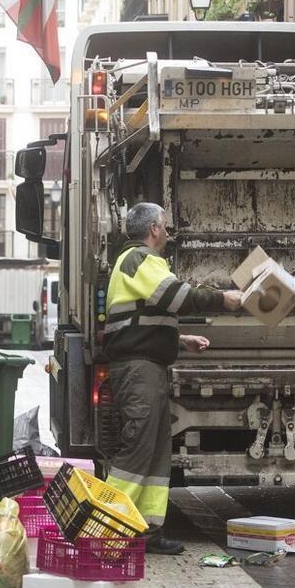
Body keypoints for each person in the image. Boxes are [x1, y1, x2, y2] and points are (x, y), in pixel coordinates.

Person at [99, 202, 241, 555]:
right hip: (139, 370)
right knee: (137, 449)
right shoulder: (142, 258)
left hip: (147, 367)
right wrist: (224, 299)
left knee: (157, 452)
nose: (167, 232)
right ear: (154, 229)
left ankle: (146, 531)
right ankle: (108, 531)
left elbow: (138, 318)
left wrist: (179, 339)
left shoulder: (134, 261)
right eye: (165, 225)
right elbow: (176, 296)